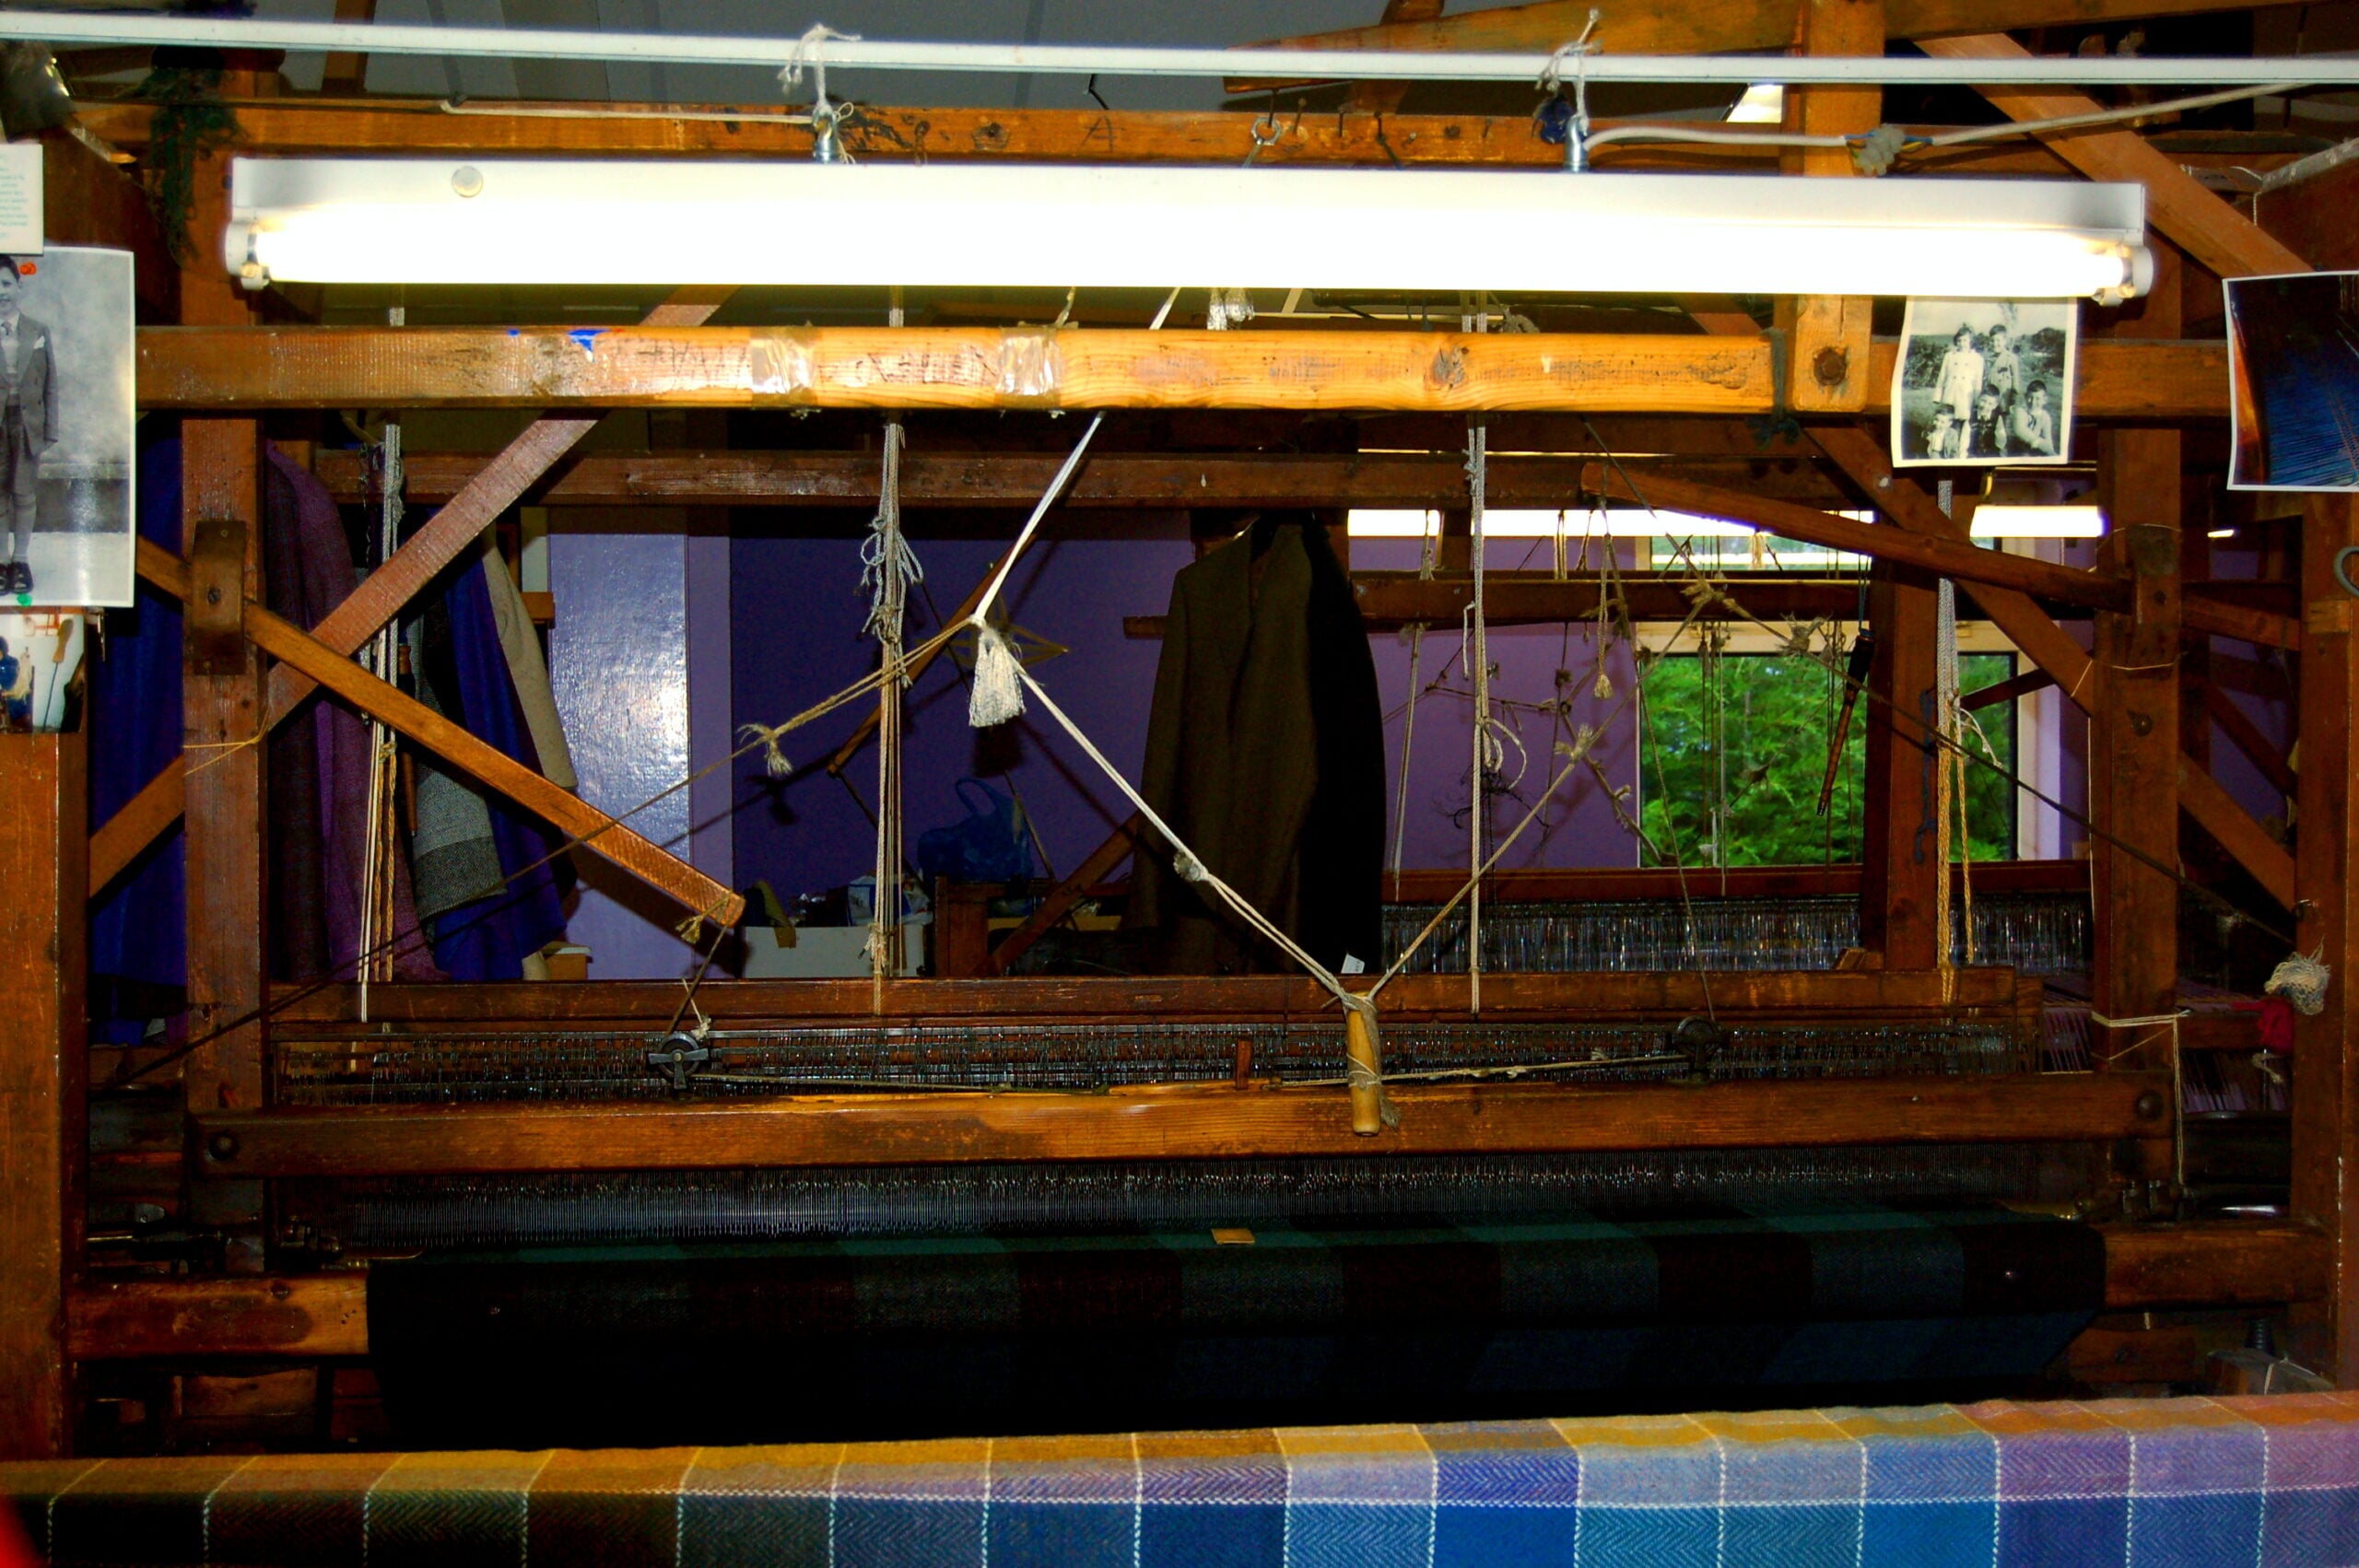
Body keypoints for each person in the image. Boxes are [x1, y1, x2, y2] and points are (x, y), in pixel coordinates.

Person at [0, 257, 57, 597]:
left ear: (19, 287)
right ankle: (1, 562)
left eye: (6, 285)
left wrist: (50, 428)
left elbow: (51, 383)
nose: (0, 293)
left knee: (23, 492)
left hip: (26, 424)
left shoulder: (37, 330)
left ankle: (20, 559)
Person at [1934, 322, 1983, 425]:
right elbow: (1942, 377)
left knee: (1963, 422)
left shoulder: (1977, 358)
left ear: (1970, 341)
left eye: (1965, 340)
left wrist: (1976, 400)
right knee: (1947, 421)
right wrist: (1937, 397)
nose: (1962, 343)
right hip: (1951, 392)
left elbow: (1978, 382)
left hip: (1966, 395)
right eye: (1959, 340)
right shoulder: (1949, 356)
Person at [1982, 322, 2023, 415]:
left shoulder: (2011, 358)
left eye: (1998, 340)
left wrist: (2014, 401)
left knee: (2002, 425)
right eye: (1992, 340)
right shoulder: (1987, 359)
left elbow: (2016, 383)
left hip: (2004, 401)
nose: (1995, 343)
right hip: (1989, 401)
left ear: (2005, 341)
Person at [2012, 378, 2058, 456]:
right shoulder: (2020, 411)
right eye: (2030, 397)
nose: (2033, 402)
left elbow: (2048, 442)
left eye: (2037, 399)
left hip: (2033, 453)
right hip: (2017, 451)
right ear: (2025, 397)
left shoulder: (2045, 417)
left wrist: (2051, 453)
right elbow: (2020, 430)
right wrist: (2040, 443)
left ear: (2044, 400)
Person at [1970, 389, 2008, 458]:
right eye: (1983, 401)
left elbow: (2001, 442)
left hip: (1991, 453)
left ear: (1995, 406)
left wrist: (2000, 435)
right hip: (1973, 454)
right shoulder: (1971, 416)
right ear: (1978, 399)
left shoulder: (1997, 418)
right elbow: (1965, 441)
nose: (1985, 406)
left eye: (1990, 404)